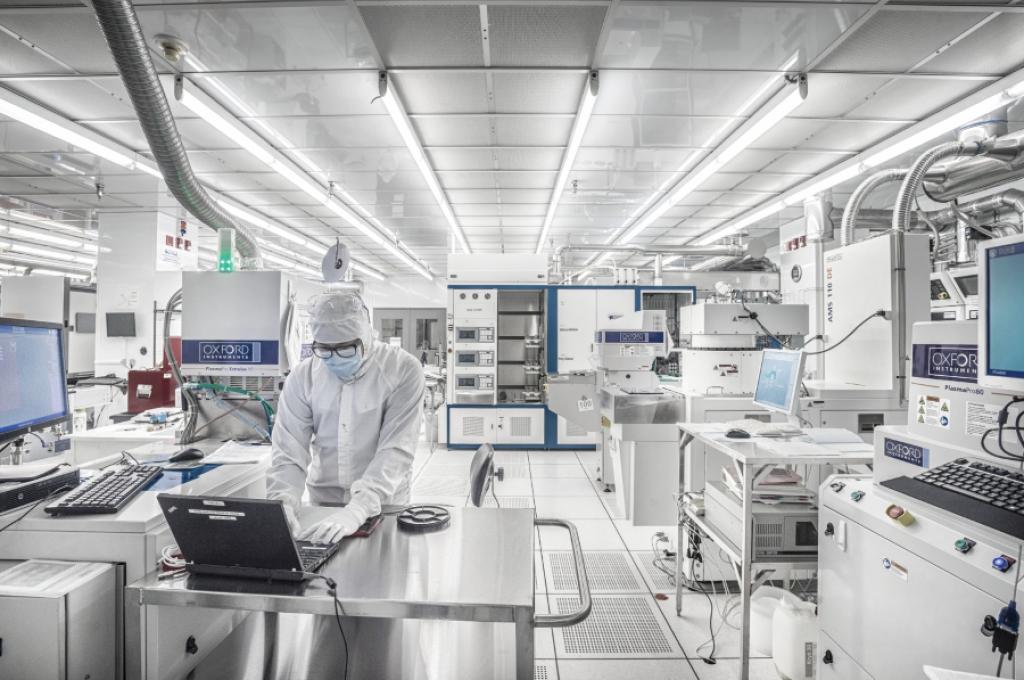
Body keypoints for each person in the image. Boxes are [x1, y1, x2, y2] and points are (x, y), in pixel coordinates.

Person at [267, 291, 425, 543]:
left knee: (385, 575)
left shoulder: (402, 370)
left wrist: (358, 509)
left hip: (384, 503)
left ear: (367, 336)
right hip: (323, 503)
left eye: (346, 348)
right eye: (325, 349)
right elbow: (289, 451)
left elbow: (396, 449)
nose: (334, 357)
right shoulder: (303, 377)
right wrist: (283, 503)